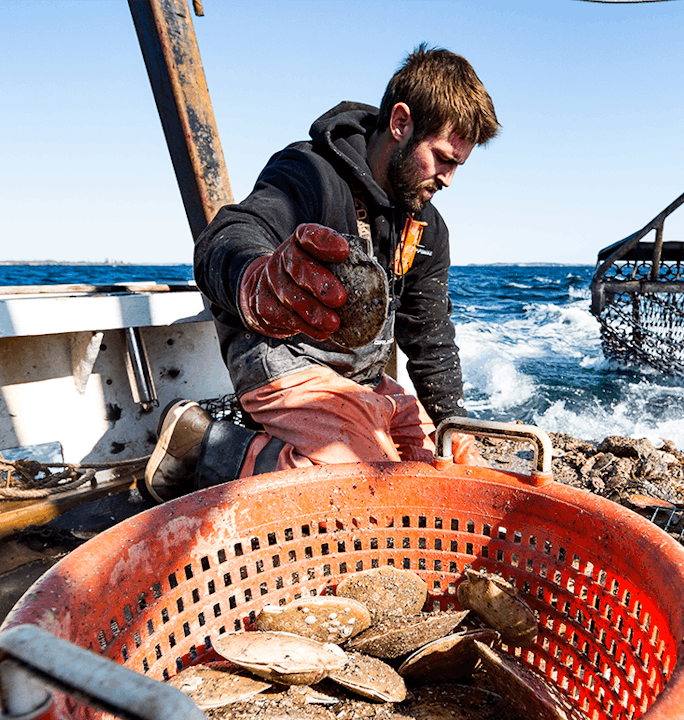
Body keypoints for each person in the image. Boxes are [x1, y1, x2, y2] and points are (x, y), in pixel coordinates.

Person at [143, 44, 499, 502]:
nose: (449, 178)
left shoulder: (429, 225)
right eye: (443, 158)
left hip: (360, 377)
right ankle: (202, 449)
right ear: (401, 123)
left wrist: (456, 425)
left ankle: (359, 429)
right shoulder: (308, 172)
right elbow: (230, 233)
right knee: (367, 492)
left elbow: (429, 334)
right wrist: (257, 278)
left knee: (438, 471)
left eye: (458, 166)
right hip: (283, 358)